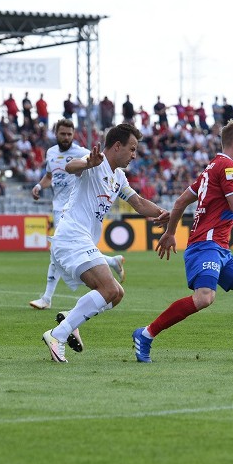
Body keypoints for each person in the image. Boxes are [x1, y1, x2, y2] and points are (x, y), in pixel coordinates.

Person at [131, 120, 233, 363]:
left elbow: (180, 203)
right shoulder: (227, 167)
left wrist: (170, 232)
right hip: (206, 246)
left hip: (219, 249)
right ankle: (146, 334)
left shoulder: (209, 169)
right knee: (204, 297)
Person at [39, 122, 169, 363]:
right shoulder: (94, 162)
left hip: (82, 240)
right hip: (71, 238)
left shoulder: (118, 177)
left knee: (117, 294)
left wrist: (164, 212)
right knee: (108, 289)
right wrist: (88, 163)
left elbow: (139, 203)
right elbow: (70, 166)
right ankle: (58, 334)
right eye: (131, 149)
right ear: (117, 146)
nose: (134, 155)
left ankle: (71, 318)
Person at [29, 118, 127, 311]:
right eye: (62, 133)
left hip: (74, 209)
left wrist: (89, 164)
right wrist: (40, 185)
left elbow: (93, 168)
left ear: (74, 134)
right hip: (59, 207)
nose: (66, 137)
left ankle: (47, 298)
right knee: (57, 251)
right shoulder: (51, 153)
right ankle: (112, 261)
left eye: (69, 134)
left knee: (56, 251)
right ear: (55, 133)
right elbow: (50, 176)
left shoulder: (82, 153)